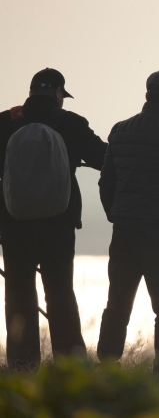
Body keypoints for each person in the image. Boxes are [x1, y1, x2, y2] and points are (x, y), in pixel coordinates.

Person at [0, 68, 107, 369]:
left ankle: (23, 365)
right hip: (58, 224)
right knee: (59, 293)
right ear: (59, 94)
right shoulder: (71, 123)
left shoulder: (5, 122)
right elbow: (103, 159)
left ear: (31, 92)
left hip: (13, 222)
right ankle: (70, 364)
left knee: (18, 293)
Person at [97, 70, 159, 374]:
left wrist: (116, 214)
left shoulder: (120, 130)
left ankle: (108, 366)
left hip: (124, 229)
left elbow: (105, 183)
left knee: (118, 302)